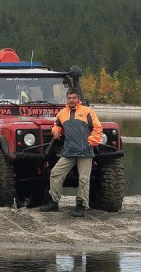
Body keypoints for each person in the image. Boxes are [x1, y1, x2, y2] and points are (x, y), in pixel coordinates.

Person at [39, 88, 102, 217]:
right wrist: (56, 131)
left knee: (84, 179)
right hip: (69, 151)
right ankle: (53, 202)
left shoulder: (87, 112)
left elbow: (97, 128)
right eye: (69, 98)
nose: (72, 100)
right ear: (67, 99)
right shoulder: (62, 113)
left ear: (78, 99)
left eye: (74, 98)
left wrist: (91, 142)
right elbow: (57, 125)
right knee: (55, 173)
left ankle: (81, 206)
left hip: (85, 152)